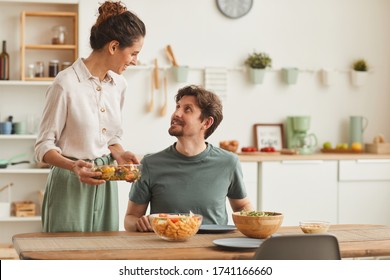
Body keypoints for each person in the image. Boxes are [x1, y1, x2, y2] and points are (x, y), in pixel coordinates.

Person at [34, 0, 146, 232]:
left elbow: (111, 138)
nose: (135, 60)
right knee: (65, 259)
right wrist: (73, 166)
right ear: (114, 47)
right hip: (70, 182)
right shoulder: (65, 84)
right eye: (133, 53)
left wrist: (120, 154)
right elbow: (43, 147)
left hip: (105, 183)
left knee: (104, 256)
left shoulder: (119, 85)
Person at [124, 85, 253, 232]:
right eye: (177, 107)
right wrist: (141, 224)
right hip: (167, 249)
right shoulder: (149, 164)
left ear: (206, 122)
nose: (176, 113)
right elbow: (130, 218)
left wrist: (253, 221)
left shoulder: (229, 162)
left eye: (187, 109)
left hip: (214, 248)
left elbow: (242, 206)